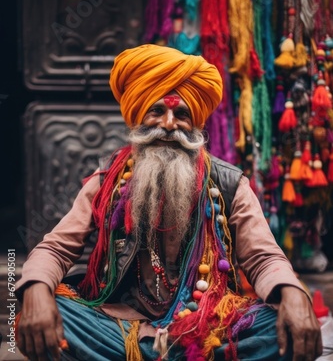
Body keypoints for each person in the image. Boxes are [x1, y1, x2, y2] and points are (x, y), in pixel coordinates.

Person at [16, 44, 322, 361]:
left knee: (277, 326)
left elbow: (263, 255)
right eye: (157, 110)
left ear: (198, 123)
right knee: (48, 316)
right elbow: (58, 246)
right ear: (138, 116)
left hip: (205, 327)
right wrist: (36, 289)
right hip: (121, 324)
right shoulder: (109, 179)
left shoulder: (229, 184)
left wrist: (293, 293)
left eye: (182, 114)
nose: (168, 124)